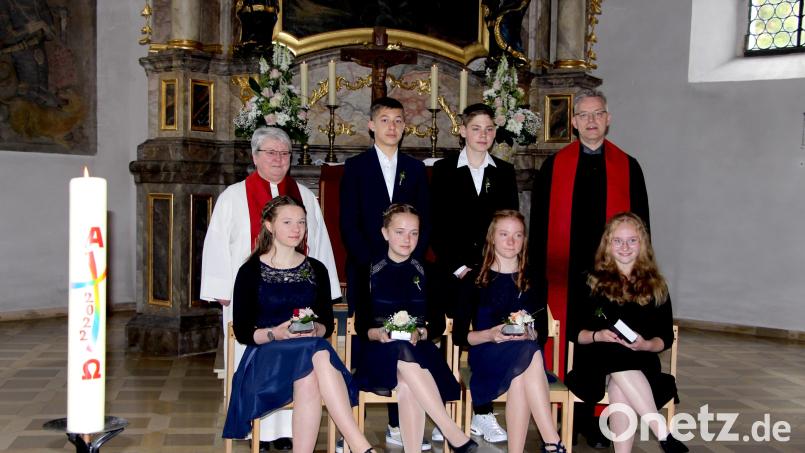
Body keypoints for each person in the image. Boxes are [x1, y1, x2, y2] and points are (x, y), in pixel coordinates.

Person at [201, 126, 340, 450]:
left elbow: (318, 244)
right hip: (251, 301)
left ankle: (291, 432)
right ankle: (257, 431)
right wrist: (221, 287)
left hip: (298, 296)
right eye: (271, 152)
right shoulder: (234, 196)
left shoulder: (304, 197)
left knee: (301, 361)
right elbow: (217, 243)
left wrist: (325, 289)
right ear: (255, 157)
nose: (278, 159)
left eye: (284, 153)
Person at [529, 88, 649, 448]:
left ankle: (601, 420)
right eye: (584, 115)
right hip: (564, 274)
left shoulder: (629, 167)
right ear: (574, 123)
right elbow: (538, 226)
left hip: (613, 276)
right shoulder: (554, 166)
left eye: (598, 114)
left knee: (607, 339)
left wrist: (636, 270)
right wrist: (537, 273)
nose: (592, 121)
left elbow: (641, 228)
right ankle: (566, 414)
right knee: (570, 342)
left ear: (608, 119)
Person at [222, 196, 375, 453]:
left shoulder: (316, 269)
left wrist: (316, 329)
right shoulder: (250, 272)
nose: (297, 229)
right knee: (317, 352)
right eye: (288, 222)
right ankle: (359, 445)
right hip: (265, 360)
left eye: (302, 222)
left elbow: (326, 322)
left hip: (306, 357)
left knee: (310, 370)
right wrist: (276, 334)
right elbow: (243, 332)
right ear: (269, 226)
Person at [339, 96, 431, 448]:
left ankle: (399, 423)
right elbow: (349, 223)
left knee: (406, 336)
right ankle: (354, 426)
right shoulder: (355, 167)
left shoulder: (416, 168)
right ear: (371, 125)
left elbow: (426, 220)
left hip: (407, 271)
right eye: (385, 120)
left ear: (404, 127)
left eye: (398, 120)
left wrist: (406, 259)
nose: (392, 127)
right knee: (370, 336)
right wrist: (376, 264)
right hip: (366, 268)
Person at [352, 204, 477, 453]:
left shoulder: (429, 271)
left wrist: (420, 332)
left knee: (408, 382)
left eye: (414, 233)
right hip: (378, 352)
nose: (407, 239)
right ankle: (452, 432)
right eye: (399, 232)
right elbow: (362, 323)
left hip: (419, 351)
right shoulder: (365, 270)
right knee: (400, 352)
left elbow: (438, 324)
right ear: (385, 233)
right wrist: (378, 333)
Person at [430, 103, 519, 443]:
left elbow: (509, 224)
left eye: (489, 129)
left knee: (488, 328)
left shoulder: (505, 171)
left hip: (492, 271)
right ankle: (444, 416)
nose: (483, 135)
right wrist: (460, 267)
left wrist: (491, 267)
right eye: (477, 128)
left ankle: (483, 412)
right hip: (453, 271)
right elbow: (436, 225)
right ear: (463, 130)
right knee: (446, 339)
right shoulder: (443, 169)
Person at [564, 213, 687, 453]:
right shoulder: (589, 281)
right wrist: (597, 336)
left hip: (640, 363)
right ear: (607, 245)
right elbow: (573, 331)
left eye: (632, 240)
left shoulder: (657, 286)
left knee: (621, 381)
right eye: (617, 241)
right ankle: (662, 432)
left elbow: (665, 336)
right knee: (615, 359)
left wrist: (645, 345)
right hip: (595, 365)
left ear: (642, 244)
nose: (625, 247)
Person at [454, 210, 566, 453]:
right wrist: (491, 334)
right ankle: (552, 440)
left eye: (517, 235)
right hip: (487, 354)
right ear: (492, 238)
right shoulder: (474, 279)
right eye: (504, 234)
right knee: (528, 355)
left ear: (524, 240)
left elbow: (542, 334)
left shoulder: (534, 278)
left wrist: (530, 333)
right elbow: (460, 337)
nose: (511, 241)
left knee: (523, 361)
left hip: (524, 355)